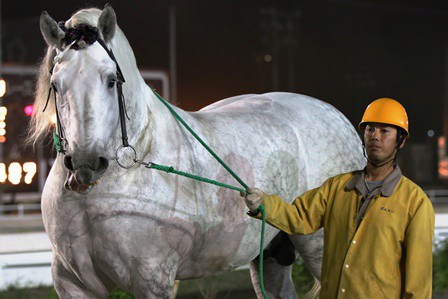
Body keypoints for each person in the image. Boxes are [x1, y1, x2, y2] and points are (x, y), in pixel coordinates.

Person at [243, 98, 435, 298]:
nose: (375, 137)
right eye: (370, 130)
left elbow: (418, 283)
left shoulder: (415, 203)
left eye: (385, 131)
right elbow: (299, 217)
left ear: (401, 140)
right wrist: (264, 203)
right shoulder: (337, 187)